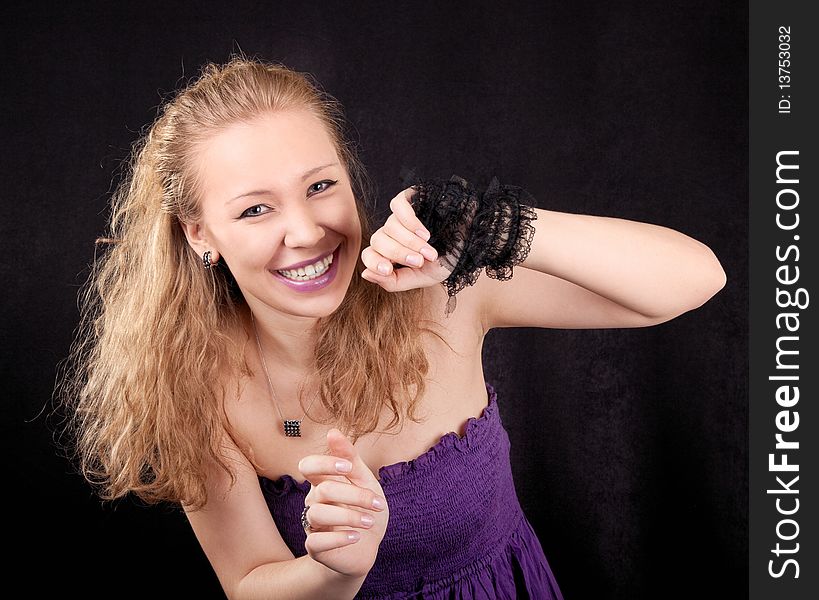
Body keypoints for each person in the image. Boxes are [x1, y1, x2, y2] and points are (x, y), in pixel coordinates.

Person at [55, 55, 726, 599]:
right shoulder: (195, 381)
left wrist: (494, 229)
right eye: (256, 209)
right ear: (200, 233)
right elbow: (250, 583)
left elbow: (693, 281)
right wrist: (334, 571)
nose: (305, 232)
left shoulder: (435, 292)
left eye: (320, 187)